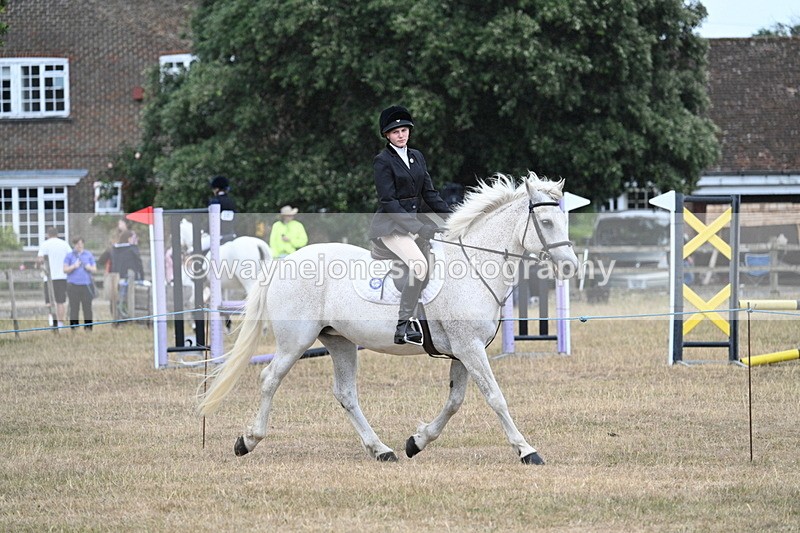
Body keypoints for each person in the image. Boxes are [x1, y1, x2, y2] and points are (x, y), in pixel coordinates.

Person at [368, 105, 451, 345]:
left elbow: (430, 194)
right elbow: (389, 201)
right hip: (390, 227)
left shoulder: (417, 156)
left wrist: (453, 218)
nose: (401, 134)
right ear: (387, 135)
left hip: (412, 223)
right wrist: (417, 227)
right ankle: (404, 324)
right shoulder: (382, 161)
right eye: (395, 132)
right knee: (419, 265)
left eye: (404, 130)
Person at [36, 227, 73, 328]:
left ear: (48, 234)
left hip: (49, 278)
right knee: (60, 301)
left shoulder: (45, 244)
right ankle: (60, 324)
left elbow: (40, 260)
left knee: (49, 302)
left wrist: (38, 266)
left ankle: (52, 322)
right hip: (62, 276)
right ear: (57, 234)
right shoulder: (64, 244)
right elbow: (71, 257)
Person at [63, 237, 97, 330]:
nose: (79, 245)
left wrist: (89, 267)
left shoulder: (88, 254)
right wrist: (74, 266)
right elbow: (65, 269)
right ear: (74, 244)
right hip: (73, 285)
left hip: (86, 285)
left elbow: (94, 269)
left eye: (81, 243)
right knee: (74, 308)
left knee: (87, 308)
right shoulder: (69, 255)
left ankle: (88, 327)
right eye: (77, 244)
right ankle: (74, 327)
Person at [110, 229, 144, 318]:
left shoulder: (115, 249)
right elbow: (139, 263)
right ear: (129, 239)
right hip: (132, 278)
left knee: (120, 299)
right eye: (134, 237)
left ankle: (119, 317)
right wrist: (142, 276)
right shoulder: (133, 249)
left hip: (118, 278)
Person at [209, 175, 237, 244]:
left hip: (218, 235)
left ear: (217, 189)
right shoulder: (231, 201)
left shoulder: (214, 202)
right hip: (232, 234)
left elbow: (210, 220)